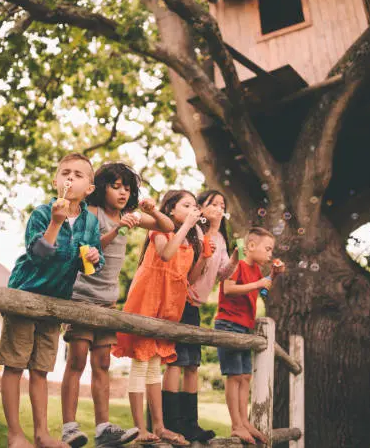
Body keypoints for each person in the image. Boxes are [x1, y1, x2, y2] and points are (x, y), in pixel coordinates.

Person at [61, 163, 174, 448]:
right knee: (77, 360)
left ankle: (103, 429)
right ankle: (69, 428)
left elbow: (167, 226)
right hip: (82, 297)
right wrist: (117, 229)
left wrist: (151, 211)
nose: (123, 192)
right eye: (116, 186)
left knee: (102, 363)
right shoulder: (92, 213)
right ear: (101, 188)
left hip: (107, 302)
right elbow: (89, 244)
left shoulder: (128, 216)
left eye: (127, 187)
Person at [0, 153, 103, 448]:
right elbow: (38, 255)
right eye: (65, 172)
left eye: (78, 175)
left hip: (54, 304)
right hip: (25, 296)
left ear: (89, 189)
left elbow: (90, 264)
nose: (70, 178)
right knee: (15, 365)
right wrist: (56, 223)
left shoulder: (90, 223)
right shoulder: (43, 214)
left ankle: (42, 434)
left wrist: (94, 257)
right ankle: (15, 434)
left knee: (41, 370)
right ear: (55, 181)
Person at [112, 190, 209, 446]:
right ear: (170, 210)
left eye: (194, 206)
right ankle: (140, 428)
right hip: (149, 298)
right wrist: (187, 225)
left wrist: (205, 257)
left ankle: (159, 426)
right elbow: (166, 255)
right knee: (141, 363)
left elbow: (189, 277)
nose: (192, 209)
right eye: (186, 205)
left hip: (169, 304)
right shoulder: (159, 229)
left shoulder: (188, 241)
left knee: (155, 365)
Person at [162, 189, 239, 442]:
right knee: (176, 362)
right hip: (179, 300)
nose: (219, 207)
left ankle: (190, 424)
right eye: (213, 203)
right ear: (201, 208)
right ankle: (171, 423)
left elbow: (222, 274)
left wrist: (236, 259)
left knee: (192, 364)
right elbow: (193, 270)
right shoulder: (194, 232)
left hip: (194, 305)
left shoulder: (222, 240)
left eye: (222, 204)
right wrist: (209, 240)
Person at [214, 226, 282, 445]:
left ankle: (245, 421)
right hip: (228, 324)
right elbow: (228, 289)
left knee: (244, 377)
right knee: (234, 376)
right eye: (268, 248)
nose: (271, 254)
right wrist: (259, 282)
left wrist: (272, 276)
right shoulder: (238, 264)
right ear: (251, 246)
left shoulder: (256, 271)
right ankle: (236, 425)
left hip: (244, 326)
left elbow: (261, 292)